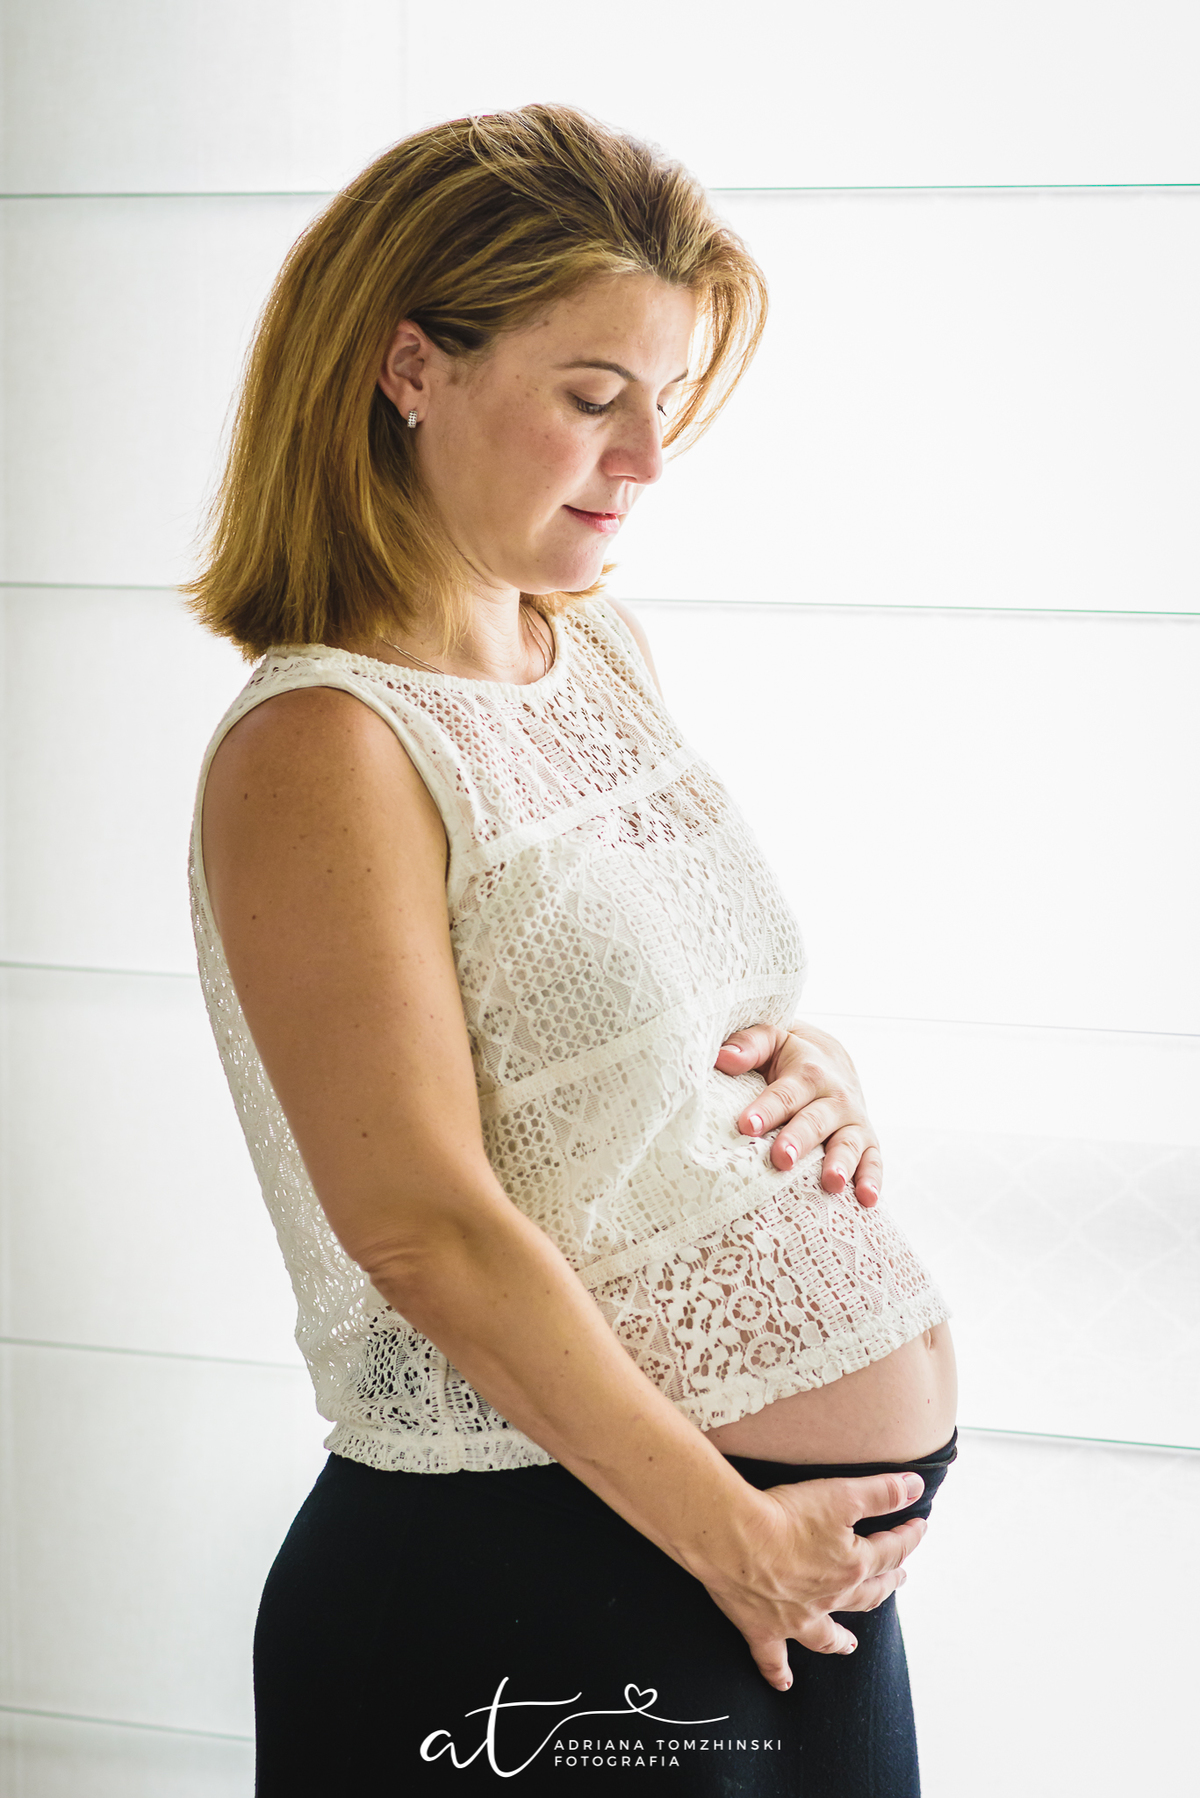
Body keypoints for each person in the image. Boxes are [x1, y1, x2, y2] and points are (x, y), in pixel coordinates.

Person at [185, 104, 957, 1795]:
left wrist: (803, 1065)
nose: (647, 463)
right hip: (550, 1573)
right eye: (592, 398)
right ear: (410, 368)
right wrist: (727, 1532)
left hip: (772, 1575)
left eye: (663, 405)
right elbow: (420, 1224)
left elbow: (625, 1032)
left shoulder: (587, 648)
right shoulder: (326, 742)